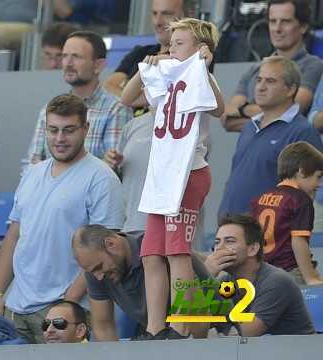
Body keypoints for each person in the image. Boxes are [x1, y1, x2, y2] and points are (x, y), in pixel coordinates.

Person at [0, 94, 124, 344]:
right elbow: (14, 236)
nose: (60, 139)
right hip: (16, 308)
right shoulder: (31, 174)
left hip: (64, 315)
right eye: (53, 130)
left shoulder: (102, 179)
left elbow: (103, 256)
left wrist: (66, 305)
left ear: (86, 129)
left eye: (69, 130)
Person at [120, 18, 223, 339]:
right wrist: (143, 68)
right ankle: (155, 328)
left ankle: (183, 325)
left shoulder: (200, 76)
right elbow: (126, 98)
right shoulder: (165, 75)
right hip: (161, 176)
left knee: (178, 252)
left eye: (179, 43)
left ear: (200, 48)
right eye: (170, 43)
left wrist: (204, 68)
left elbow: (219, 109)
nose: (169, 49)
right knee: (151, 254)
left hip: (188, 173)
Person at [218, 56, 323, 218]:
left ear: (290, 89)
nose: (260, 87)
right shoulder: (249, 127)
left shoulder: (302, 132)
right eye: (259, 80)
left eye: (270, 81)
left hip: (271, 235)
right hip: (232, 226)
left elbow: (308, 193)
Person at [72, 225, 213, 340]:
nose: (98, 277)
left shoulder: (157, 247)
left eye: (99, 267)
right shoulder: (95, 271)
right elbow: (104, 327)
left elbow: (199, 316)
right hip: (163, 338)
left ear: (111, 244)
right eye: (92, 272)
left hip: (212, 328)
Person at [26, 31, 133, 167]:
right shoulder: (49, 110)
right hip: (49, 187)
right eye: (64, 56)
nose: (68, 63)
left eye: (76, 57)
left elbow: (114, 168)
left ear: (98, 65)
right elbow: (31, 164)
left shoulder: (117, 109)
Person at [202, 214, 315, 336]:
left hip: (295, 353)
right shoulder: (224, 283)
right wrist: (203, 281)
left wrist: (205, 276)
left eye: (229, 241)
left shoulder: (276, 281)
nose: (219, 248)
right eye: (217, 242)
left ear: (253, 249)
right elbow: (190, 328)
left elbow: (245, 335)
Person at [221, 0, 323, 132]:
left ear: (303, 26)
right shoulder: (255, 70)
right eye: (272, 21)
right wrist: (272, 116)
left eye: (285, 21)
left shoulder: (313, 66)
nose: (277, 28)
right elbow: (227, 120)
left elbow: (291, 111)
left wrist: (242, 109)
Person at [250, 141, 323, 285]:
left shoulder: (261, 198)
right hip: (290, 271)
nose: (319, 184)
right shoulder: (300, 200)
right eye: (318, 177)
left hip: (262, 272)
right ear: (301, 171)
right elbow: (299, 241)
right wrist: (310, 277)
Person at [104, 0, 185, 114]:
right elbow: (109, 86)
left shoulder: (189, 59)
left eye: (166, 14)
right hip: (126, 126)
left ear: (186, 15)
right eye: (154, 13)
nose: (158, 22)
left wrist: (129, 94)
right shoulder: (140, 52)